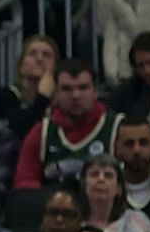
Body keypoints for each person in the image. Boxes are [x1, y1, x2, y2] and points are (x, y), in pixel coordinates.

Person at [15, 60, 119, 189]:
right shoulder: (41, 132)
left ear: (95, 91)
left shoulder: (117, 127)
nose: (75, 95)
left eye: (83, 87)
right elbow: (24, 183)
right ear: (56, 93)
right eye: (66, 89)